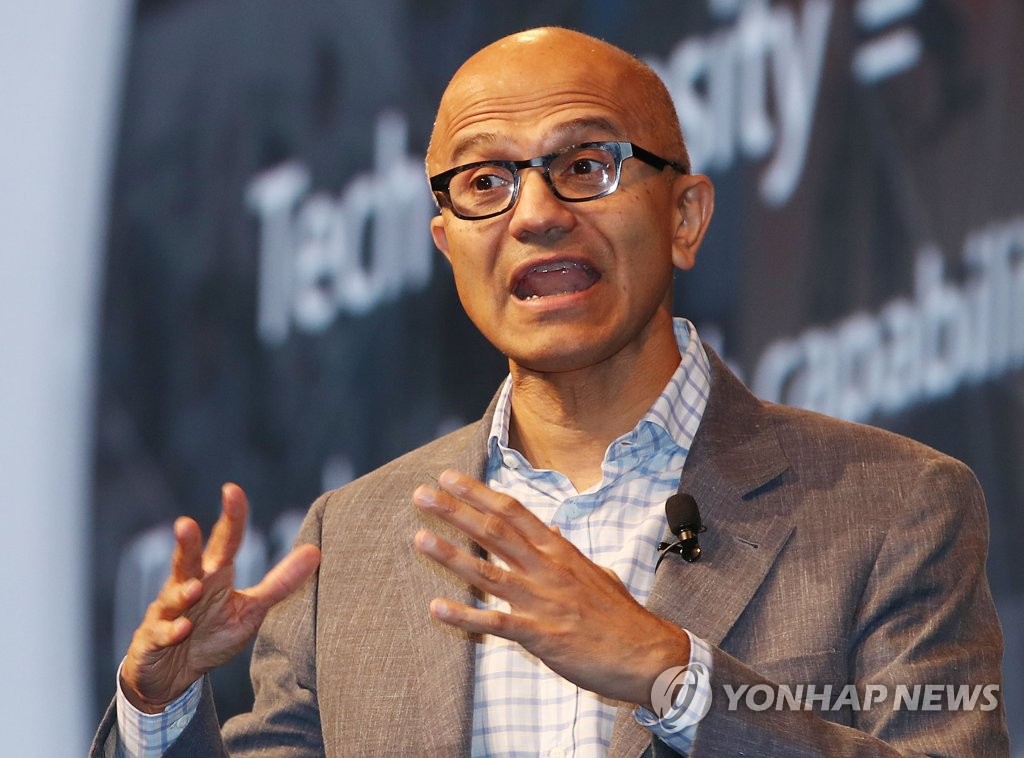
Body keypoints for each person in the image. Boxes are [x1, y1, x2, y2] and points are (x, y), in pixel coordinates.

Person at [91, 26, 1008, 757]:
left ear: (685, 217)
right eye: (485, 182)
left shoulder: (895, 506)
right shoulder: (353, 539)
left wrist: (675, 677)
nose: (535, 214)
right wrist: (158, 710)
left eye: (585, 165)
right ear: (448, 246)